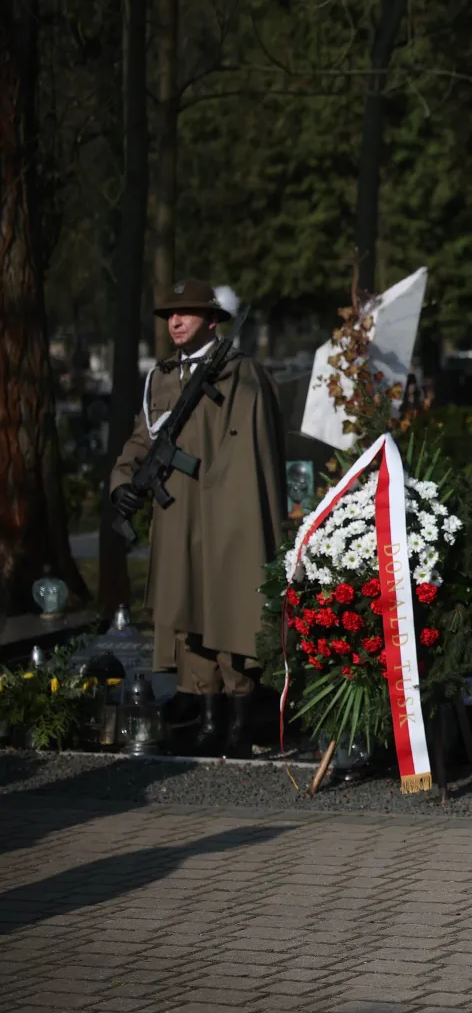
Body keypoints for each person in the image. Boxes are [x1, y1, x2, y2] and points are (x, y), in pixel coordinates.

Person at [109, 278, 286, 757]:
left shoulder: (243, 375)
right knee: (189, 615)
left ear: (212, 320)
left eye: (186, 313)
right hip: (177, 513)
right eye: (170, 314)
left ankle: (240, 722)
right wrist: (123, 483)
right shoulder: (161, 378)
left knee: (231, 615)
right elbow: (141, 440)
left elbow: (259, 454)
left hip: (231, 516)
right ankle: (207, 719)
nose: (176, 321)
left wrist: (245, 515)